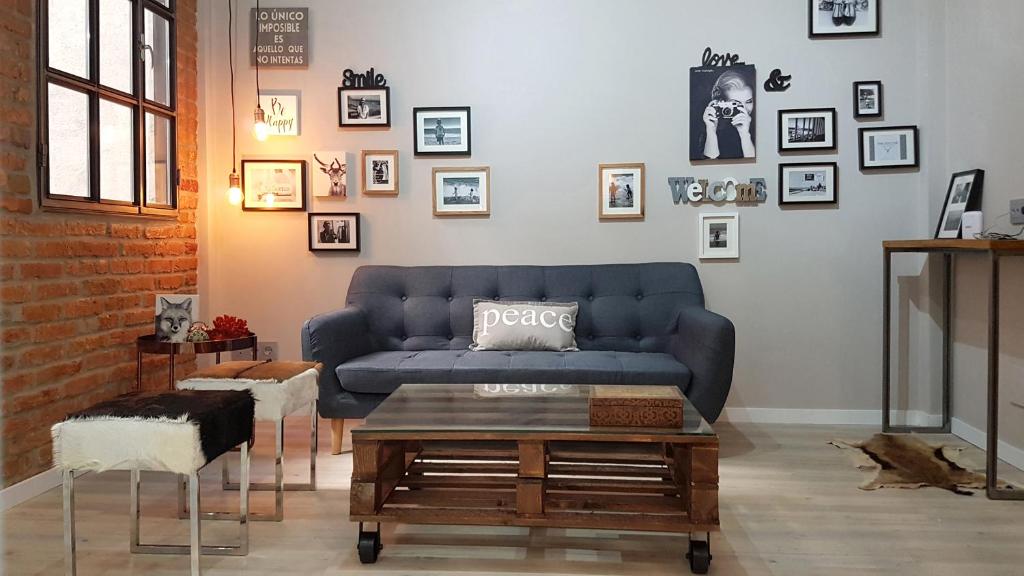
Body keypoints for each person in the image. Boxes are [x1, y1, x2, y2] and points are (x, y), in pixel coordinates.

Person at [701, 70, 755, 160]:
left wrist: (745, 134)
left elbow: (757, 167)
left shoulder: (757, 127)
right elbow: (709, 165)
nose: (744, 109)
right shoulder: (713, 125)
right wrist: (711, 130)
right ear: (721, 103)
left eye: (749, 101)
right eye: (735, 103)